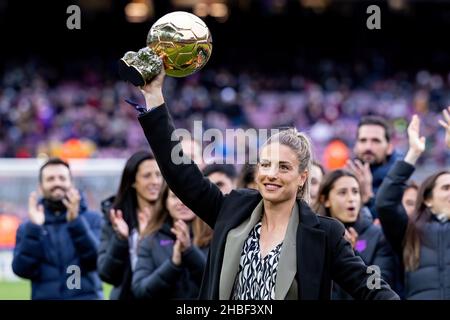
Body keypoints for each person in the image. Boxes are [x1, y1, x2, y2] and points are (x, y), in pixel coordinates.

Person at [130, 69, 399, 300]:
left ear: (302, 176)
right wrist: (154, 96)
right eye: (266, 164)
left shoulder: (325, 234)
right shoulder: (232, 210)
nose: (271, 174)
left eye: (284, 167)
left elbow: (370, 288)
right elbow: (181, 175)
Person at [376, 110, 450, 299]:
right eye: (446, 187)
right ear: (427, 199)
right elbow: (386, 203)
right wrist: (413, 153)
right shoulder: (410, 232)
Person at [12, 158, 103, 300]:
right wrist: (34, 229)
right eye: (50, 179)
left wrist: (76, 223)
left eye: (62, 178)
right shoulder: (28, 227)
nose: (57, 183)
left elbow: (98, 263)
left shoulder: (93, 219)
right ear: (40, 187)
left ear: (71, 183)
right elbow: (22, 270)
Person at [314, 170, 396, 299]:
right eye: (342, 193)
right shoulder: (315, 236)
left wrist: (351, 253)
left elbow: (378, 285)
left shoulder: (378, 236)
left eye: (355, 192)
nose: (351, 198)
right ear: (325, 200)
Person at [97, 151, 164, 300]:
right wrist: (121, 239)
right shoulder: (115, 218)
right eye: (147, 176)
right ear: (133, 181)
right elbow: (107, 275)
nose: (155, 181)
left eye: (158, 175)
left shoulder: (172, 217)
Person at [132, 184, 211, 299]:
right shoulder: (151, 241)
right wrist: (173, 264)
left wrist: (189, 251)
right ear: (165, 203)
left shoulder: (213, 236)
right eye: (175, 196)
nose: (182, 202)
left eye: (188, 195)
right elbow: (141, 291)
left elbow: (219, 284)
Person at [352, 116, 400, 219]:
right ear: (356, 145)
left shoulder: (400, 183)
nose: (368, 147)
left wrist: (368, 198)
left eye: (376, 141)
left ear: (389, 147)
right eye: (363, 140)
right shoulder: (342, 177)